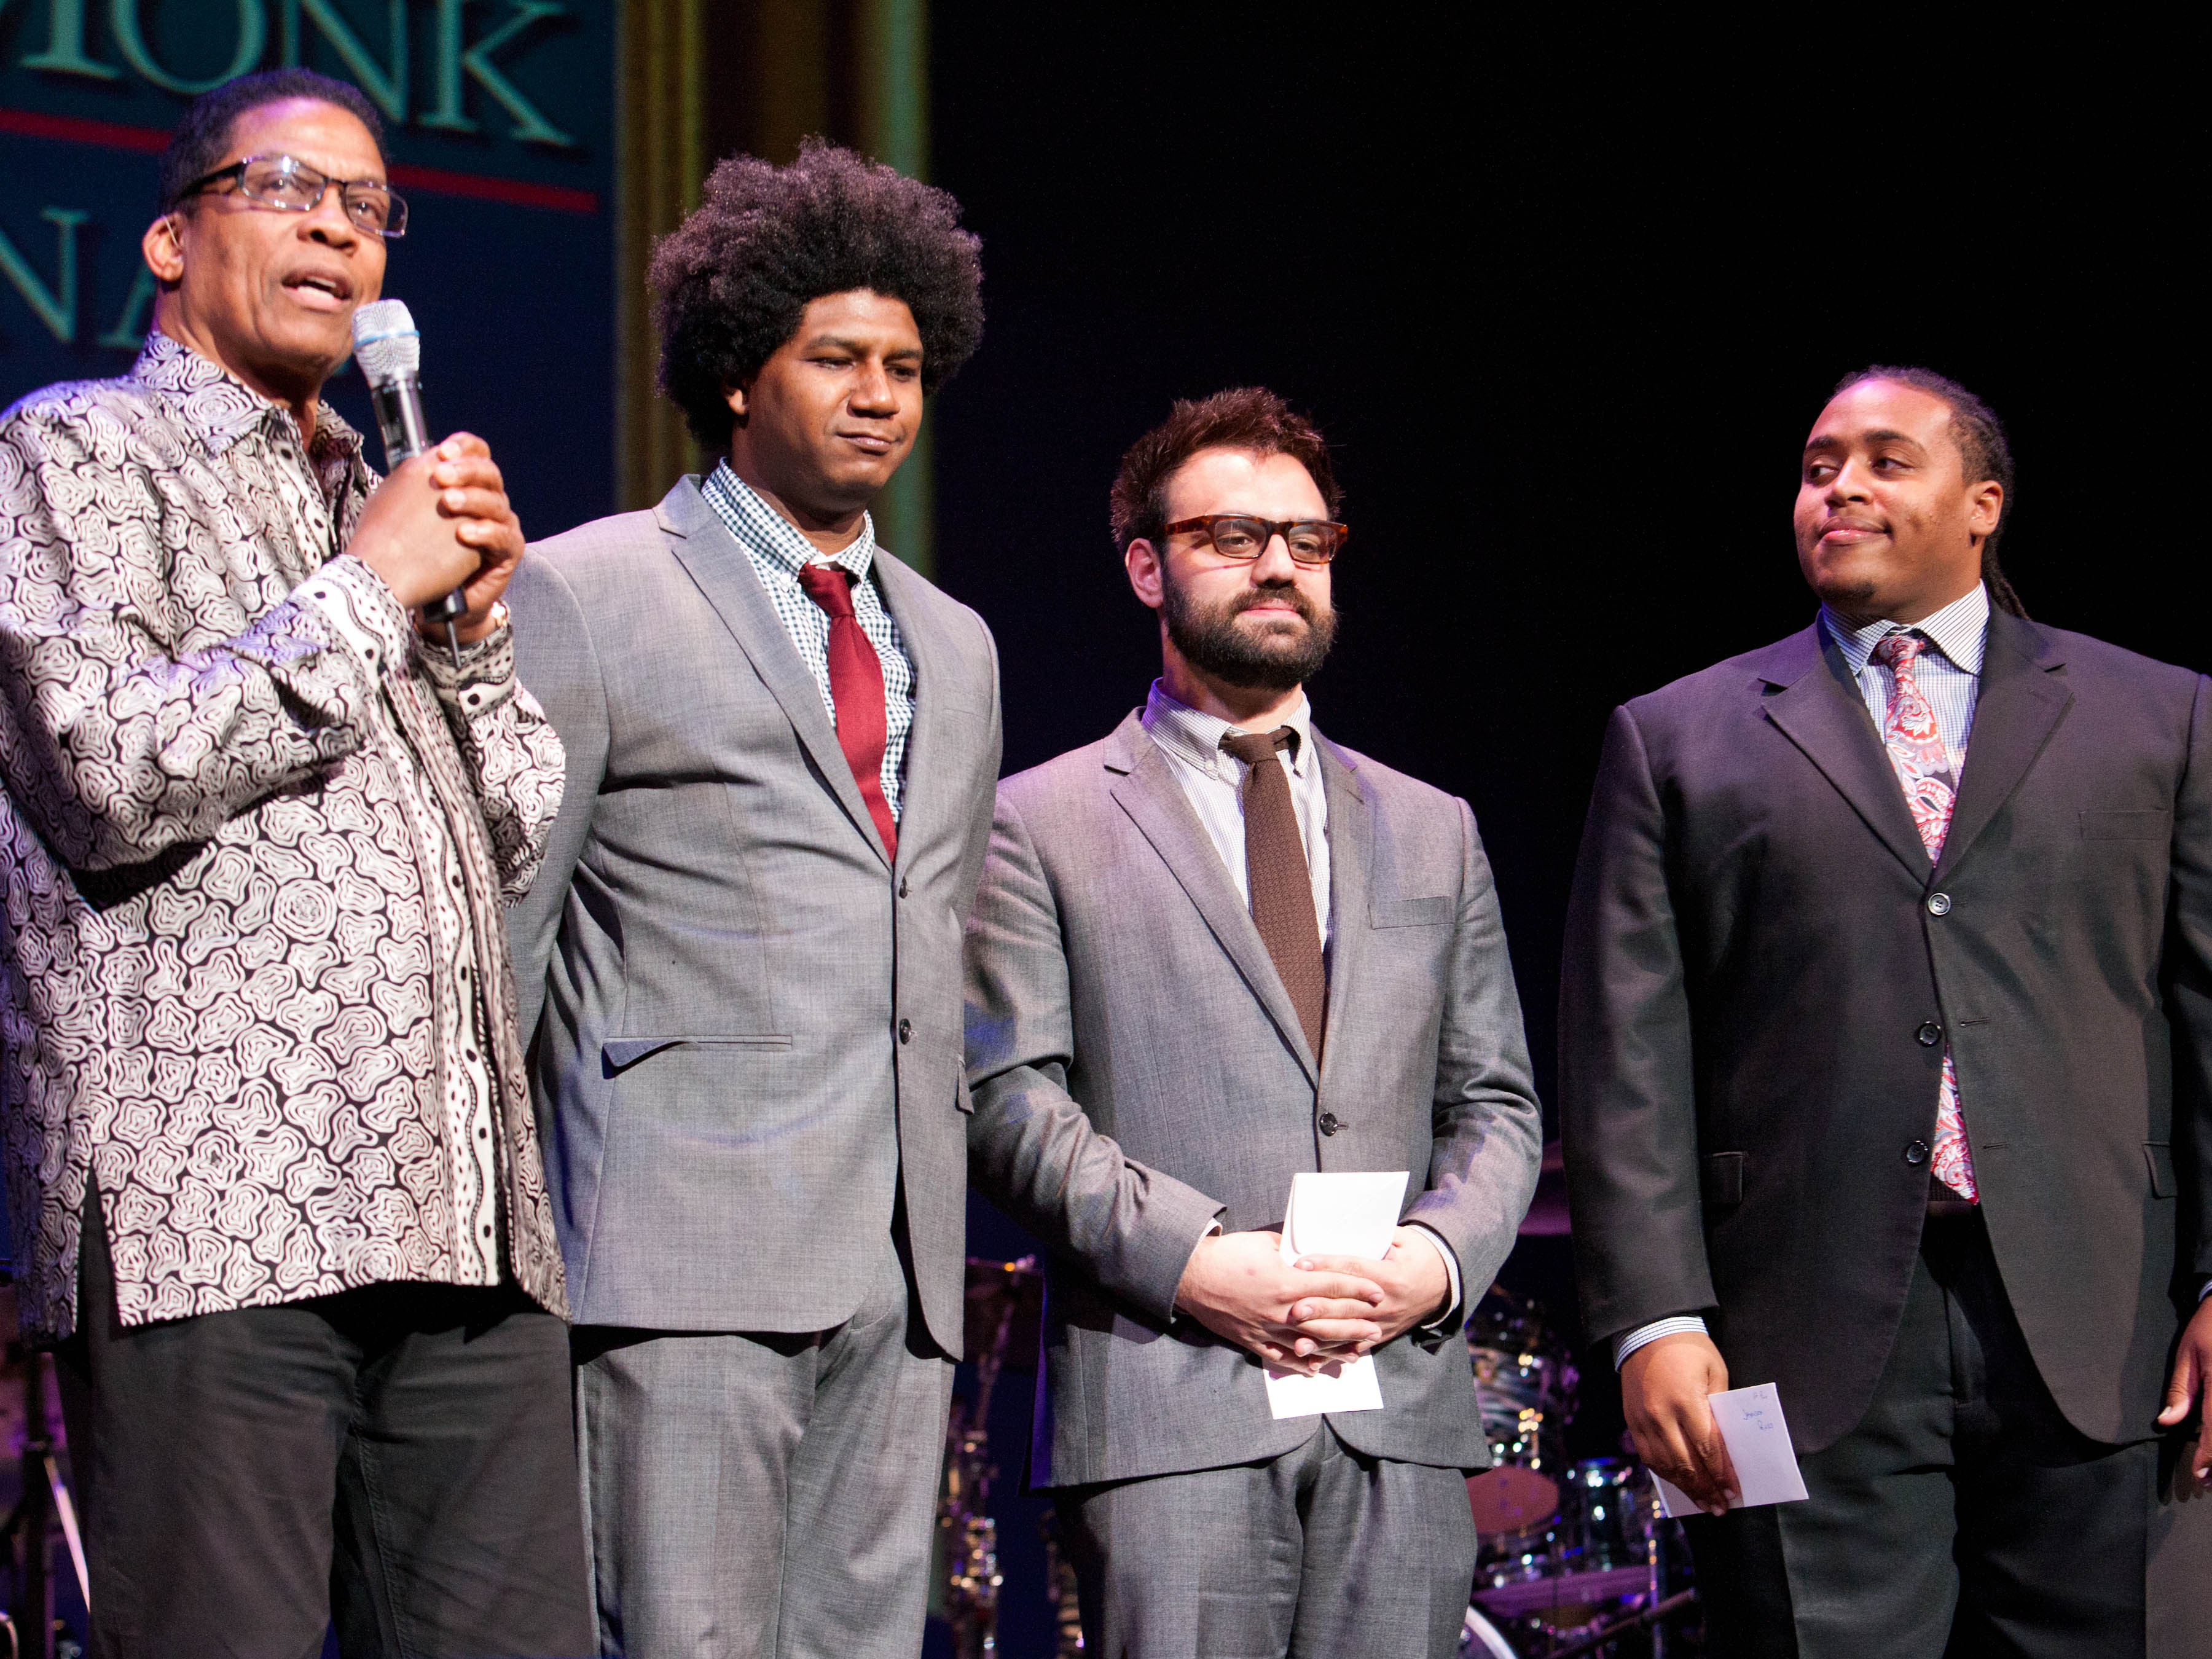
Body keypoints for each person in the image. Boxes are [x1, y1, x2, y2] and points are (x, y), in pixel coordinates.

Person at [0, 69, 590, 1655]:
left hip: (460, 1222)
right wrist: (370, 589)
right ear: (169, 241)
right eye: (286, 189)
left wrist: (467, 634)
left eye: (369, 206)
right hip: (214, 1218)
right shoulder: (74, 450)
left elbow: (516, 832)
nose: (338, 226)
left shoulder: (375, 490)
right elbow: (106, 774)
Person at [1560, 366, 2212, 1655]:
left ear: (1983, 505)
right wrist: (1653, 1318)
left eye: (1884, 461)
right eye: (1817, 468)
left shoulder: (2158, 716)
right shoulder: (1676, 738)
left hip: (2104, 1319)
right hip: (1796, 1323)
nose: (1839, 488)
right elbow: (1625, 1055)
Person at [504, 139, 998, 1656]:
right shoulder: (588, 590)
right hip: (682, 1249)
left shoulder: (957, 641)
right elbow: (510, 936)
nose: (878, 397)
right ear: (737, 374)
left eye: (904, 368)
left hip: (901, 1258)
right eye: (836, 359)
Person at [963, 387, 1543, 1658]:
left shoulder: (1432, 827)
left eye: (1307, 538)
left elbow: (1496, 1100)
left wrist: (1436, 1260)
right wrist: (1196, 1261)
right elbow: (1008, 1101)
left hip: (1396, 1406)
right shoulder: (1038, 821)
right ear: (1146, 568)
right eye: (1232, 536)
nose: (1279, 564)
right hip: (1172, 1402)